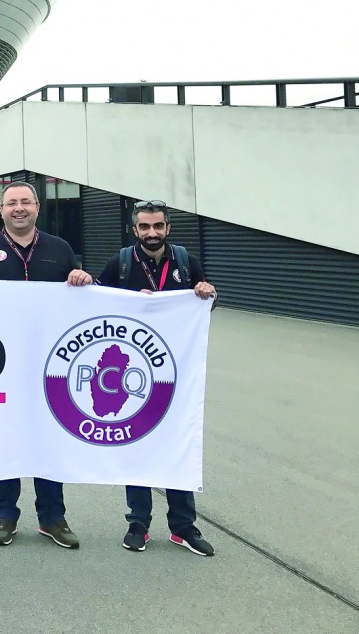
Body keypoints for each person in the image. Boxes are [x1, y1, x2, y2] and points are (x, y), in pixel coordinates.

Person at [0, 180, 93, 549]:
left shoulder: (59, 248)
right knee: (4, 439)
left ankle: (53, 518)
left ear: (36, 207)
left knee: (47, 439)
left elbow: (83, 298)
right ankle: (5, 515)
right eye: (11, 203)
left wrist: (82, 279)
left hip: (50, 366)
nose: (19, 208)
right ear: (0, 210)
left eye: (25, 202)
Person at [97, 199, 218, 557]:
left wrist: (207, 294)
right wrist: (132, 300)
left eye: (158, 226)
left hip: (175, 372)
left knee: (176, 444)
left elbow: (207, 305)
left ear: (168, 228)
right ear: (134, 230)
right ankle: (138, 524)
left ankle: (183, 527)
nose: (152, 233)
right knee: (137, 444)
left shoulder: (184, 261)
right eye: (145, 227)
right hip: (130, 373)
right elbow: (96, 305)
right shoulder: (120, 264)